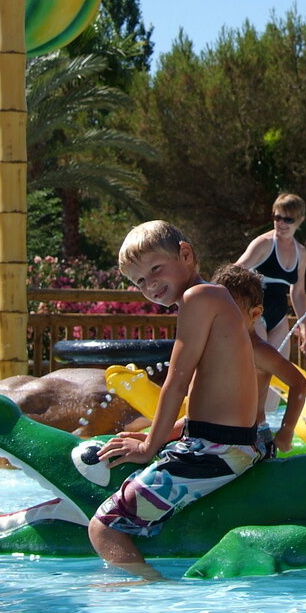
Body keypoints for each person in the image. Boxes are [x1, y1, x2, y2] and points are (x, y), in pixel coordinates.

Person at [88, 221, 261, 581]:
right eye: (139, 282)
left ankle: (155, 595)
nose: (150, 285)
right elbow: (208, 396)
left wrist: (150, 445)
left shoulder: (198, 299)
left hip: (215, 450)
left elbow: (177, 380)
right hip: (231, 442)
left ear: (185, 254)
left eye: (155, 269)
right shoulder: (214, 299)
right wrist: (162, 433)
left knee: (103, 527)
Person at [210, 264, 306, 457]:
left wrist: (287, 430)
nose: (220, 318)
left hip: (252, 438)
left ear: (255, 314)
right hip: (217, 435)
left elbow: (299, 383)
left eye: (230, 313)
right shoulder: (216, 346)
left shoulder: (258, 351)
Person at [235, 193, 306, 355]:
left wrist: (304, 325)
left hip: (279, 316)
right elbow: (233, 272)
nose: (281, 223)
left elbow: (297, 292)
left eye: (288, 219)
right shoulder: (264, 244)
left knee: (278, 367)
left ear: (300, 220)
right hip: (254, 311)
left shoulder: (301, 253)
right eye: (277, 218)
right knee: (260, 364)